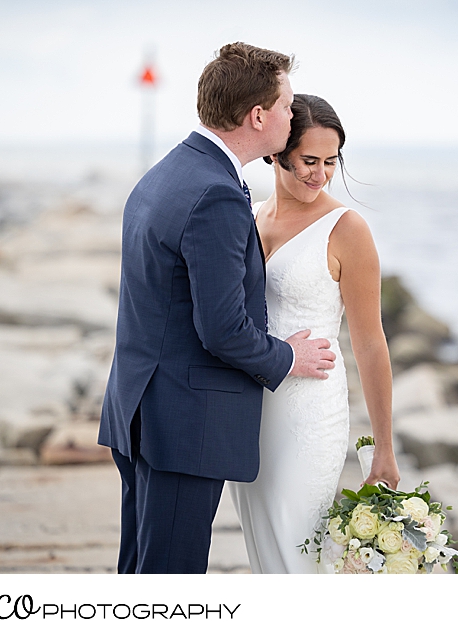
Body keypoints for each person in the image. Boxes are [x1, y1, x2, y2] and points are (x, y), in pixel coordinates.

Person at [97, 43, 337, 574]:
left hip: (139, 404)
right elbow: (223, 328)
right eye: (286, 104)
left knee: (142, 571)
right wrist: (286, 359)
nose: (292, 114)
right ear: (258, 116)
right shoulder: (217, 195)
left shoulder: (169, 171)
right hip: (182, 422)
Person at [230, 94, 400, 574]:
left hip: (309, 417)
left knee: (300, 554)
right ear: (275, 151)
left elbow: (370, 343)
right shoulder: (254, 214)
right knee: (265, 555)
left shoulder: (347, 229)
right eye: (309, 160)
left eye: (330, 161)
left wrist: (383, 448)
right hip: (249, 413)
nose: (320, 174)